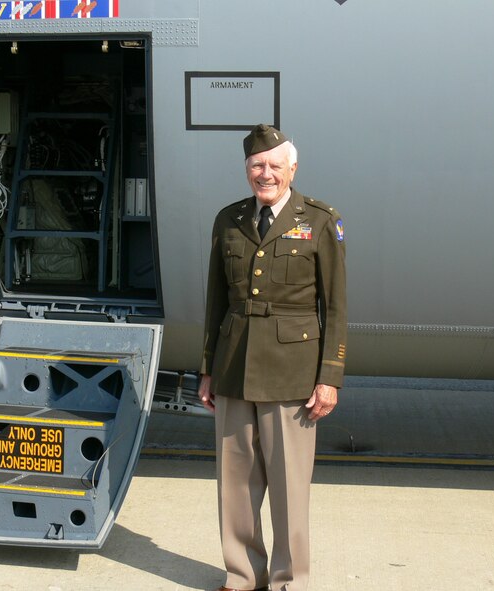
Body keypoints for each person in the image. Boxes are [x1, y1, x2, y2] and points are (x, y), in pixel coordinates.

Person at [198, 124, 347, 591]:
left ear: (292, 169)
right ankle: (241, 575)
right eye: (257, 166)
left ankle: (288, 580)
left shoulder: (319, 220)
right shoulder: (229, 219)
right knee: (236, 484)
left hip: (292, 372)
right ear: (247, 171)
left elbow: (336, 306)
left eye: (274, 166)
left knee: (288, 489)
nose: (266, 174)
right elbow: (215, 301)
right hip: (235, 366)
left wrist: (330, 376)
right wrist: (207, 369)